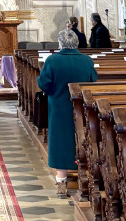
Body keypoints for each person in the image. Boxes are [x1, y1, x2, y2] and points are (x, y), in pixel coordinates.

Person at [37, 28, 98, 196]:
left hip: (59, 106)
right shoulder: (87, 60)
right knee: (81, 138)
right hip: (82, 107)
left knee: (60, 141)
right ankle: (83, 175)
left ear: (60, 43)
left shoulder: (52, 60)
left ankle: (62, 181)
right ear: (76, 43)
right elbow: (93, 81)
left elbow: (43, 84)